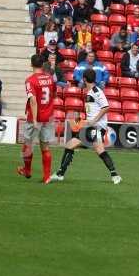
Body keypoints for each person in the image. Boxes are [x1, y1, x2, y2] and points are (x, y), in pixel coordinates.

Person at [51, 68, 122, 185]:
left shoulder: (96, 91)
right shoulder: (89, 92)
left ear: (84, 79)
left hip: (97, 127)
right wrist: (84, 120)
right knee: (70, 145)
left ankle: (115, 175)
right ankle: (60, 174)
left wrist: (94, 120)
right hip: (90, 127)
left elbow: (106, 107)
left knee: (99, 149)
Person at [17, 54, 56, 184]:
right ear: (42, 64)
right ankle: (46, 177)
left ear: (31, 64)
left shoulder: (30, 80)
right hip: (48, 117)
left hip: (35, 118)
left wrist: (34, 119)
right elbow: (53, 94)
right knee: (45, 147)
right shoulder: (50, 79)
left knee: (27, 145)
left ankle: (27, 170)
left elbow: (33, 100)